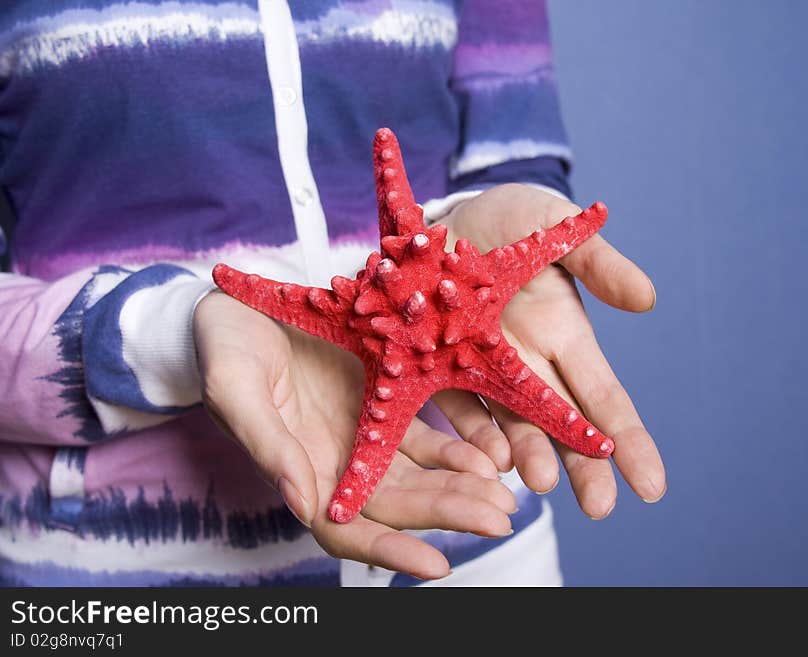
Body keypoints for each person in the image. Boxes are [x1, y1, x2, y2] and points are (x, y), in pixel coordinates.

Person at [0, 0, 665, 586]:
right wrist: (169, 331)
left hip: (478, 548)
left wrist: (524, 222)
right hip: (113, 575)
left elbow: (514, 171)